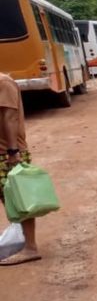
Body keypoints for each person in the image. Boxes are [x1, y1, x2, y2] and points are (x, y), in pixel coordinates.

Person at [0, 72, 40, 267]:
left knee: (18, 199)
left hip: (7, 154)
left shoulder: (3, 82)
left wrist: (13, 152)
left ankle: (30, 247)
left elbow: (9, 117)